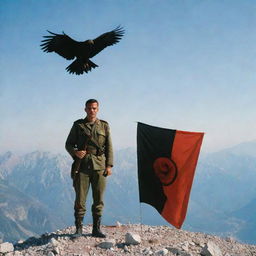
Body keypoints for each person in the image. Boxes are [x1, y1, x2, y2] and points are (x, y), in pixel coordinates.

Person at [65, 99, 113, 237]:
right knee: (80, 200)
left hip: (100, 166)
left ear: (98, 109)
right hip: (83, 166)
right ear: (85, 109)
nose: (92, 110)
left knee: (99, 199)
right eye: (89, 108)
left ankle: (96, 229)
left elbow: (109, 146)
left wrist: (109, 165)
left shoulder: (104, 126)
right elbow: (68, 144)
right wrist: (75, 152)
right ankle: (78, 229)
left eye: (94, 108)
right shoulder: (78, 125)